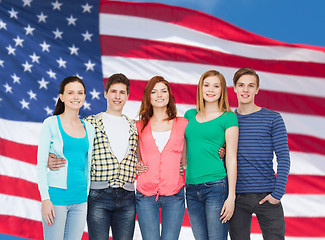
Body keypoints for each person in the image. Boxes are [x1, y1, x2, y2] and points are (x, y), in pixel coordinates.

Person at [48, 74, 138, 240]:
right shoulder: (90, 123)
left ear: (127, 96)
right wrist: (50, 158)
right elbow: (72, 147)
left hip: (127, 197)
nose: (117, 96)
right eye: (113, 91)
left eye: (122, 92)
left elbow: (144, 154)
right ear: (105, 94)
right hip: (99, 195)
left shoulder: (135, 126)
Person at [229, 68, 290, 240]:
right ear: (234, 88)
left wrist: (277, 194)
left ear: (257, 89)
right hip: (237, 197)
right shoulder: (227, 120)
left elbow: (284, 158)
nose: (245, 90)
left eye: (250, 85)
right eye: (241, 85)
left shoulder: (273, 118)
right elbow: (225, 156)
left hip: (267, 195)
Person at [37, 76, 95, 240]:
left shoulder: (89, 128)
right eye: (70, 93)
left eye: (80, 93)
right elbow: (41, 164)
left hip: (81, 199)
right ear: (61, 97)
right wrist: (45, 199)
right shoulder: (51, 123)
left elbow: (87, 164)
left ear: (84, 96)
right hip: (56, 197)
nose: (75, 97)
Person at [184, 70, 239, 240]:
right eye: (206, 85)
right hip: (191, 188)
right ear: (200, 88)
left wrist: (231, 197)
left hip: (216, 186)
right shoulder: (189, 115)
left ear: (222, 90)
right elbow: (182, 152)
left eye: (216, 86)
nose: (211, 90)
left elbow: (231, 157)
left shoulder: (228, 118)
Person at [135, 76, 188, 240]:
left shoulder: (183, 123)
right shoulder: (139, 126)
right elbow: (134, 154)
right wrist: (137, 164)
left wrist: (221, 150)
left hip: (174, 194)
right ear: (148, 97)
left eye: (163, 91)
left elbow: (195, 150)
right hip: (145, 195)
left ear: (169, 95)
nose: (159, 95)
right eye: (154, 91)